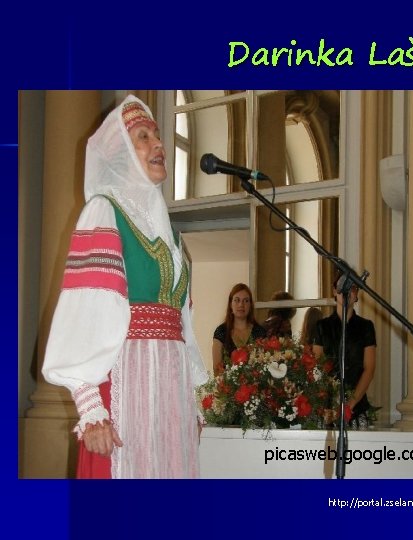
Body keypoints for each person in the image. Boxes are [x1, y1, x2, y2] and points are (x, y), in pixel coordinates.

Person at [41, 95, 208, 479]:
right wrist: (90, 406)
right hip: (124, 387)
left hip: (169, 394)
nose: (159, 144)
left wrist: (192, 398)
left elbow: (184, 327)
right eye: (144, 137)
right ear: (120, 155)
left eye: (157, 135)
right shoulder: (104, 212)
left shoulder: (171, 236)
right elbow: (84, 311)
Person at [312, 274, 376, 429]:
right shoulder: (322, 326)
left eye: (352, 288)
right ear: (334, 291)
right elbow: (316, 367)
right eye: (342, 287)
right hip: (327, 406)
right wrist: (327, 403)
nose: (347, 292)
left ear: (357, 293)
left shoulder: (366, 326)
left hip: (356, 405)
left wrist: (350, 404)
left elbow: (369, 369)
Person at [213, 283, 267, 375]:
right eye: (237, 300)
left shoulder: (260, 332)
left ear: (250, 305)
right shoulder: (221, 332)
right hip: (228, 384)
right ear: (230, 304)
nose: (241, 304)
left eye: (246, 301)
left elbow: (265, 365)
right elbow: (217, 370)